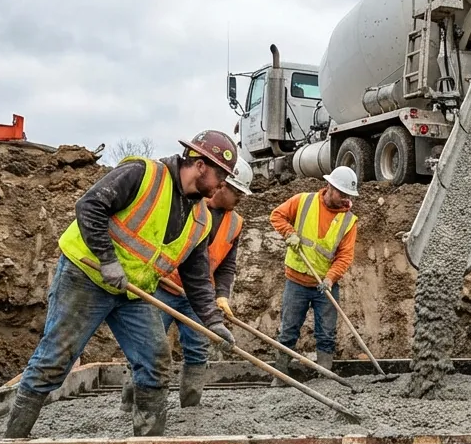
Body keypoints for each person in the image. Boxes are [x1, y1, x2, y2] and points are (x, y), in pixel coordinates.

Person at [4, 130, 239, 438]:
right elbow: (89, 206)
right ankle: (13, 439)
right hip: (85, 276)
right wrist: (107, 259)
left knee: (155, 360)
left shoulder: (200, 219)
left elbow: (196, 278)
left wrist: (211, 320)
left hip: (131, 292)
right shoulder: (144, 174)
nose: (223, 185)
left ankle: (148, 443)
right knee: (55, 360)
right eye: (221, 175)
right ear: (199, 165)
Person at [120, 158, 254, 416]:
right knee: (145, 348)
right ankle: (130, 403)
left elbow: (226, 266)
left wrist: (222, 295)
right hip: (163, 287)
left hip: (197, 296)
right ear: (222, 185)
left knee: (197, 349)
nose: (240, 198)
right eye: (237, 192)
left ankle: (190, 408)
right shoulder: (189, 206)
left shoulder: (236, 223)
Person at [269, 165, 359, 378]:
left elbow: (345, 256)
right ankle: (280, 376)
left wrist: (330, 278)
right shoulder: (303, 201)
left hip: (325, 285)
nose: (344, 199)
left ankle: (325, 377)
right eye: (341, 193)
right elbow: (277, 216)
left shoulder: (348, 221)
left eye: (347, 195)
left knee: (327, 334)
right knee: (288, 330)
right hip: (296, 281)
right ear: (329, 186)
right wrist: (289, 233)